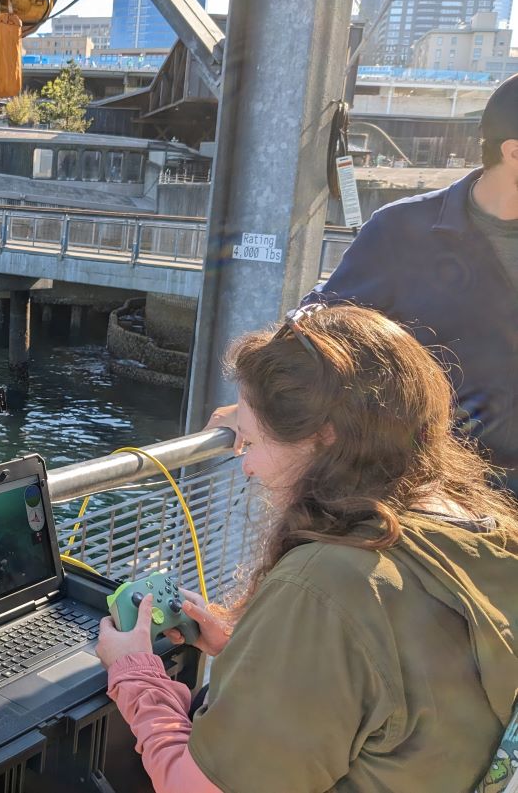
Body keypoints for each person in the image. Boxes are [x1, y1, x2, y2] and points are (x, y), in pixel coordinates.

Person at [98, 304, 518, 792]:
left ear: (323, 438)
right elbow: (395, 695)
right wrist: (250, 648)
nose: (246, 467)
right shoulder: (486, 530)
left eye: (249, 442)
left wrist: (138, 679)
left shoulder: (324, 584)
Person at [208, 73, 518, 493]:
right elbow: (315, 326)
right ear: (513, 152)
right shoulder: (405, 230)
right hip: (440, 494)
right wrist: (254, 401)